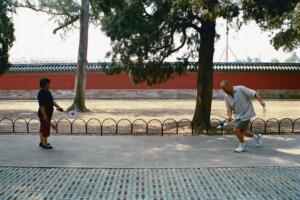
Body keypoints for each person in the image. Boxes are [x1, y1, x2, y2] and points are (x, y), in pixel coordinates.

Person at [220, 80, 265, 153]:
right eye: (223, 89)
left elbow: (254, 93)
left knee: (236, 130)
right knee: (242, 131)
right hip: (238, 116)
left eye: (225, 88)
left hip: (247, 113)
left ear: (229, 85)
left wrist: (261, 101)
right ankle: (257, 137)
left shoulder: (241, 89)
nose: (224, 91)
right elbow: (229, 108)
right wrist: (229, 116)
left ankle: (242, 146)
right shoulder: (226, 97)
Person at [38, 78, 64, 149]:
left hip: (48, 113)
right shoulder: (41, 94)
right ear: (44, 85)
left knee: (43, 128)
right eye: (48, 83)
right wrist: (44, 116)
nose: (49, 85)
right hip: (44, 114)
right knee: (46, 129)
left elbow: (52, 101)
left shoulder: (48, 92)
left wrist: (59, 107)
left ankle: (41, 142)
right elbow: (42, 106)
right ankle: (45, 144)